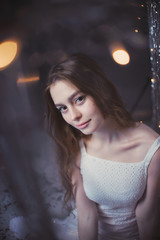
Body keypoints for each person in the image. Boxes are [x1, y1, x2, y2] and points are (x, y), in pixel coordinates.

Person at [44, 53, 160, 240]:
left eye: (79, 99)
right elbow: (87, 215)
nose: (73, 116)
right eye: (63, 108)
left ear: (100, 90)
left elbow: (148, 215)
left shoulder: (151, 149)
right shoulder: (75, 145)